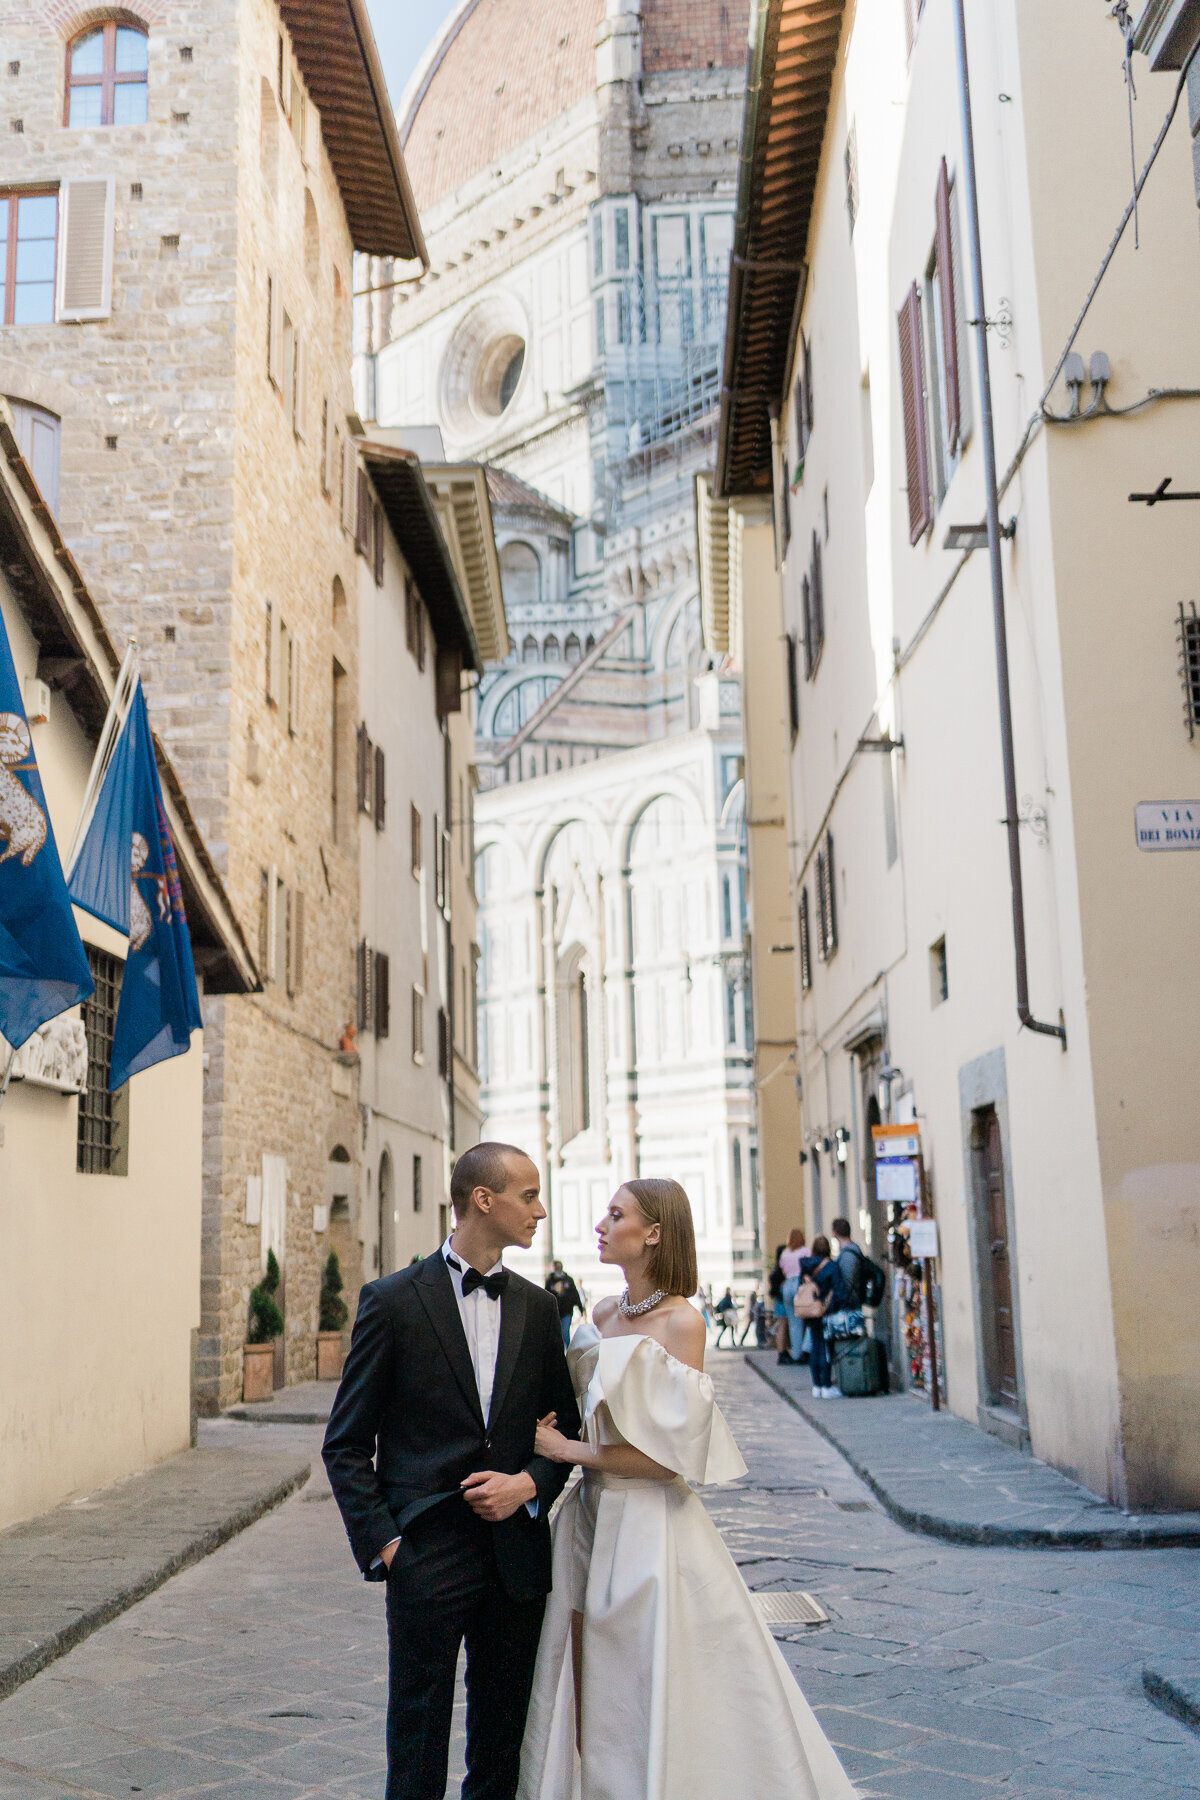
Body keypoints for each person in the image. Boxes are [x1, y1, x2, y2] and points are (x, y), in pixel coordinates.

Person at [518, 1179, 857, 1800]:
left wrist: (567, 1451)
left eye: (616, 1214)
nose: (601, 1223)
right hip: (587, 1521)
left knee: (643, 1678)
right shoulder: (598, 1315)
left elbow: (669, 1462)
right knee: (587, 1676)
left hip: (650, 1529)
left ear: (653, 1233)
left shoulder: (683, 1323)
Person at [323, 1142, 582, 1800]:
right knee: (416, 1741)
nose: (540, 1210)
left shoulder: (539, 1308)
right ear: (482, 1200)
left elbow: (567, 1431)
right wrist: (389, 1544)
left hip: (516, 1558)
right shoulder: (393, 1302)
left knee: (501, 1747)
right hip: (426, 1552)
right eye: (529, 1196)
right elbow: (346, 1443)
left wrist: (528, 1485)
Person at [797, 1234, 845, 1398]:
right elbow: (838, 1290)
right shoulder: (831, 1267)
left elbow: (801, 1287)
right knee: (824, 1348)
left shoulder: (806, 1267)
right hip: (824, 1312)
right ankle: (825, 1385)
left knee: (814, 1346)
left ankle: (816, 1384)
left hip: (809, 1312)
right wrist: (831, 1307)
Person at [779, 1227, 808, 1363]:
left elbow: (783, 1269)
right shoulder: (805, 1251)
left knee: (793, 1323)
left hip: (787, 1285)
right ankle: (806, 1351)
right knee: (807, 1319)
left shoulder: (785, 1253)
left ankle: (797, 1354)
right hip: (799, 1284)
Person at [544, 1259, 585, 1348]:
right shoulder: (550, 1281)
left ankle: (568, 1352)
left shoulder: (568, 1280)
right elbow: (546, 1296)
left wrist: (580, 1308)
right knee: (556, 1333)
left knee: (565, 1332)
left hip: (567, 1311)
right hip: (555, 1311)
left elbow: (575, 1295)